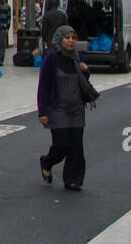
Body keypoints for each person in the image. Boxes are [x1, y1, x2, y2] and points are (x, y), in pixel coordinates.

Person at [37, 25, 93, 191]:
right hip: (57, 109)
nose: (70, 41)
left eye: (73, 38)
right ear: (59, 39)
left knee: (76, 146)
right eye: (67, 38)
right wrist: (42, 111)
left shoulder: (75, 56)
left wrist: (86, 71)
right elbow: (44, 86)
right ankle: (47, 162)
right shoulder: (52, 57)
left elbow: (82, 80)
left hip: (76, 109)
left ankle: (73, 179)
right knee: (61, 145)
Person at [0, 0, 12, 65]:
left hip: (3, 27)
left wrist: (7, 28)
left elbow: (9, 17)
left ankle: (0, 59)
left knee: (2, 44)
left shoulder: (7, 7)